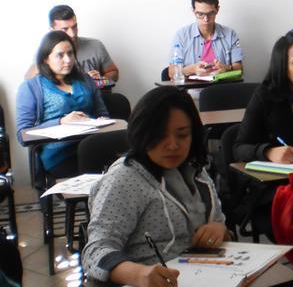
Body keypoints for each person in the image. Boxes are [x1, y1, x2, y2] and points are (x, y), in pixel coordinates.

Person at [82, 86, 228, 286]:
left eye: (182, 135)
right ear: (142, 133)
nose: (173, 145)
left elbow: (220, 223)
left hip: (205, 275)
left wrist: (218, 228)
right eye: (160, 135)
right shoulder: (125, 179)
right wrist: (139, 274)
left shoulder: (195, 170)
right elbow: (95, 252)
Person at [16, 31, 109, 177]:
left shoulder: (86, 80)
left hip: (93, 148)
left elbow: (103, 114)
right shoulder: (31, 87)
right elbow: (23, 135)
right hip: (60, 157)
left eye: (70, 53)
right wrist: (61, 122)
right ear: (46, 59)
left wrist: (103, 121)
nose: (68, 60)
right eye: (60, 55)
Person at [233, 33, 293, 164]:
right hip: (281, 174)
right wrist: (268, 152)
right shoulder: (265, 96)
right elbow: (239, 149)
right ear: (282, 66)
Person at [25, 5, 119, 82]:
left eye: (74, 27)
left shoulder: (96, 45)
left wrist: (101, 80)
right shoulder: (46, 53)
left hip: (98, 96)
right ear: (52, 30)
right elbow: (29, 82)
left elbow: (114, 73)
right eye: (65, 29)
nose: (72, 34)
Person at [168, 0, 243, 79]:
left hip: (222, 87)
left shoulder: (230, 35)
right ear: (193, 11)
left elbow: (240, 71)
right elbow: (171, 73)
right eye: (200, 14)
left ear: (217, 10)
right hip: (190, 87)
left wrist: (227, 68)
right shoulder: (181, 36)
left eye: (211, 13)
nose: (206, 19)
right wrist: (192, 69)